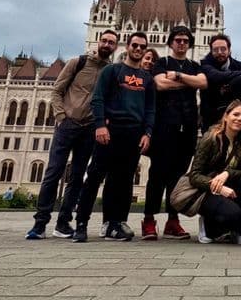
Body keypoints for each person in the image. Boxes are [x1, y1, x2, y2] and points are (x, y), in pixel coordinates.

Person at [26, 29, 118, 239]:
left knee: (77, 177)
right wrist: (60, 116)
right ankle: (40, 224)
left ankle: (63, 223)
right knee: (53, 173)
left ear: (115, 47)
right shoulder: (78, 62)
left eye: (111, 42)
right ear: (98, 41)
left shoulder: (111, 71)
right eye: (104, 40)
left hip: (89, 129)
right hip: (67, 126)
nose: (106, 44)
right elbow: (57, 91)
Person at [72, 31, 155, 243]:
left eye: (142, 47)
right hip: (110, 131)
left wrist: (147, 133)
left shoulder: (147, 79)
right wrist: (100, 125)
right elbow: (98, 99)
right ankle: (81, 223)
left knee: (124, 180)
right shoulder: (111, 71)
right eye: (135, 45)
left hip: (133, 134)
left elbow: (150, 109)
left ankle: (115, 223)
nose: (138, 49)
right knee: (94, 177)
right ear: (127, 47)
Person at [143, 25, 207, 240]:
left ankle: (173, 221)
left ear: (189, 44)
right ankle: (149, 220)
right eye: (178, 40)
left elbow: (203, 82)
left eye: (185, 41)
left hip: (187, 129)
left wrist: (178, 76)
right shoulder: (161, 63)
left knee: (178, 178)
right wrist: (188, 83)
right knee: (157, 175)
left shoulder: (194, 65)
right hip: (164, 128)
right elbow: (160, 84)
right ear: (171, 43)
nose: (181, 43)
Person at [190, 100, 241, 245]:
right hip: (207, 191)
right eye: (236, 114)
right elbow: (194, 175)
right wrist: (219, 187)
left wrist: (227, 173)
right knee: (233, 215)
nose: (239, 119)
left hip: (230, 187)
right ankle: (207, 225)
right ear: (226, 116)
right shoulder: (211, 138)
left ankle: (240, 231)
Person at [200, 34, 241, 132]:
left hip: (231, 118)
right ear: (211, 51)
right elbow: (216, 76)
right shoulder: (205, 64)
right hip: (210, 119)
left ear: (229, 50)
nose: (219, 52)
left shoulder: (237, 65)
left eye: (223, 49)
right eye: (216, 50)